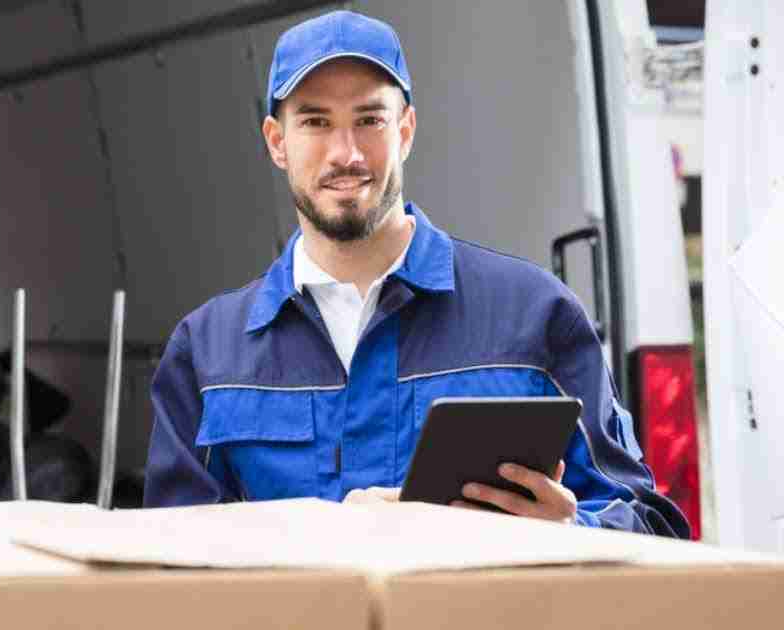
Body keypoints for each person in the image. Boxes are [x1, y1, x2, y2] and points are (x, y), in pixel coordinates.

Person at [142, 10, 688, 537]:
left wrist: (575, 527)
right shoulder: (207, 353)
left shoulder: (535, 317)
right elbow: (167, 571)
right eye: (315, 121)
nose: (345, 152)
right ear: (277, 141)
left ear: (405, 130)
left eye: (369, 120)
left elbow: (654, 528)